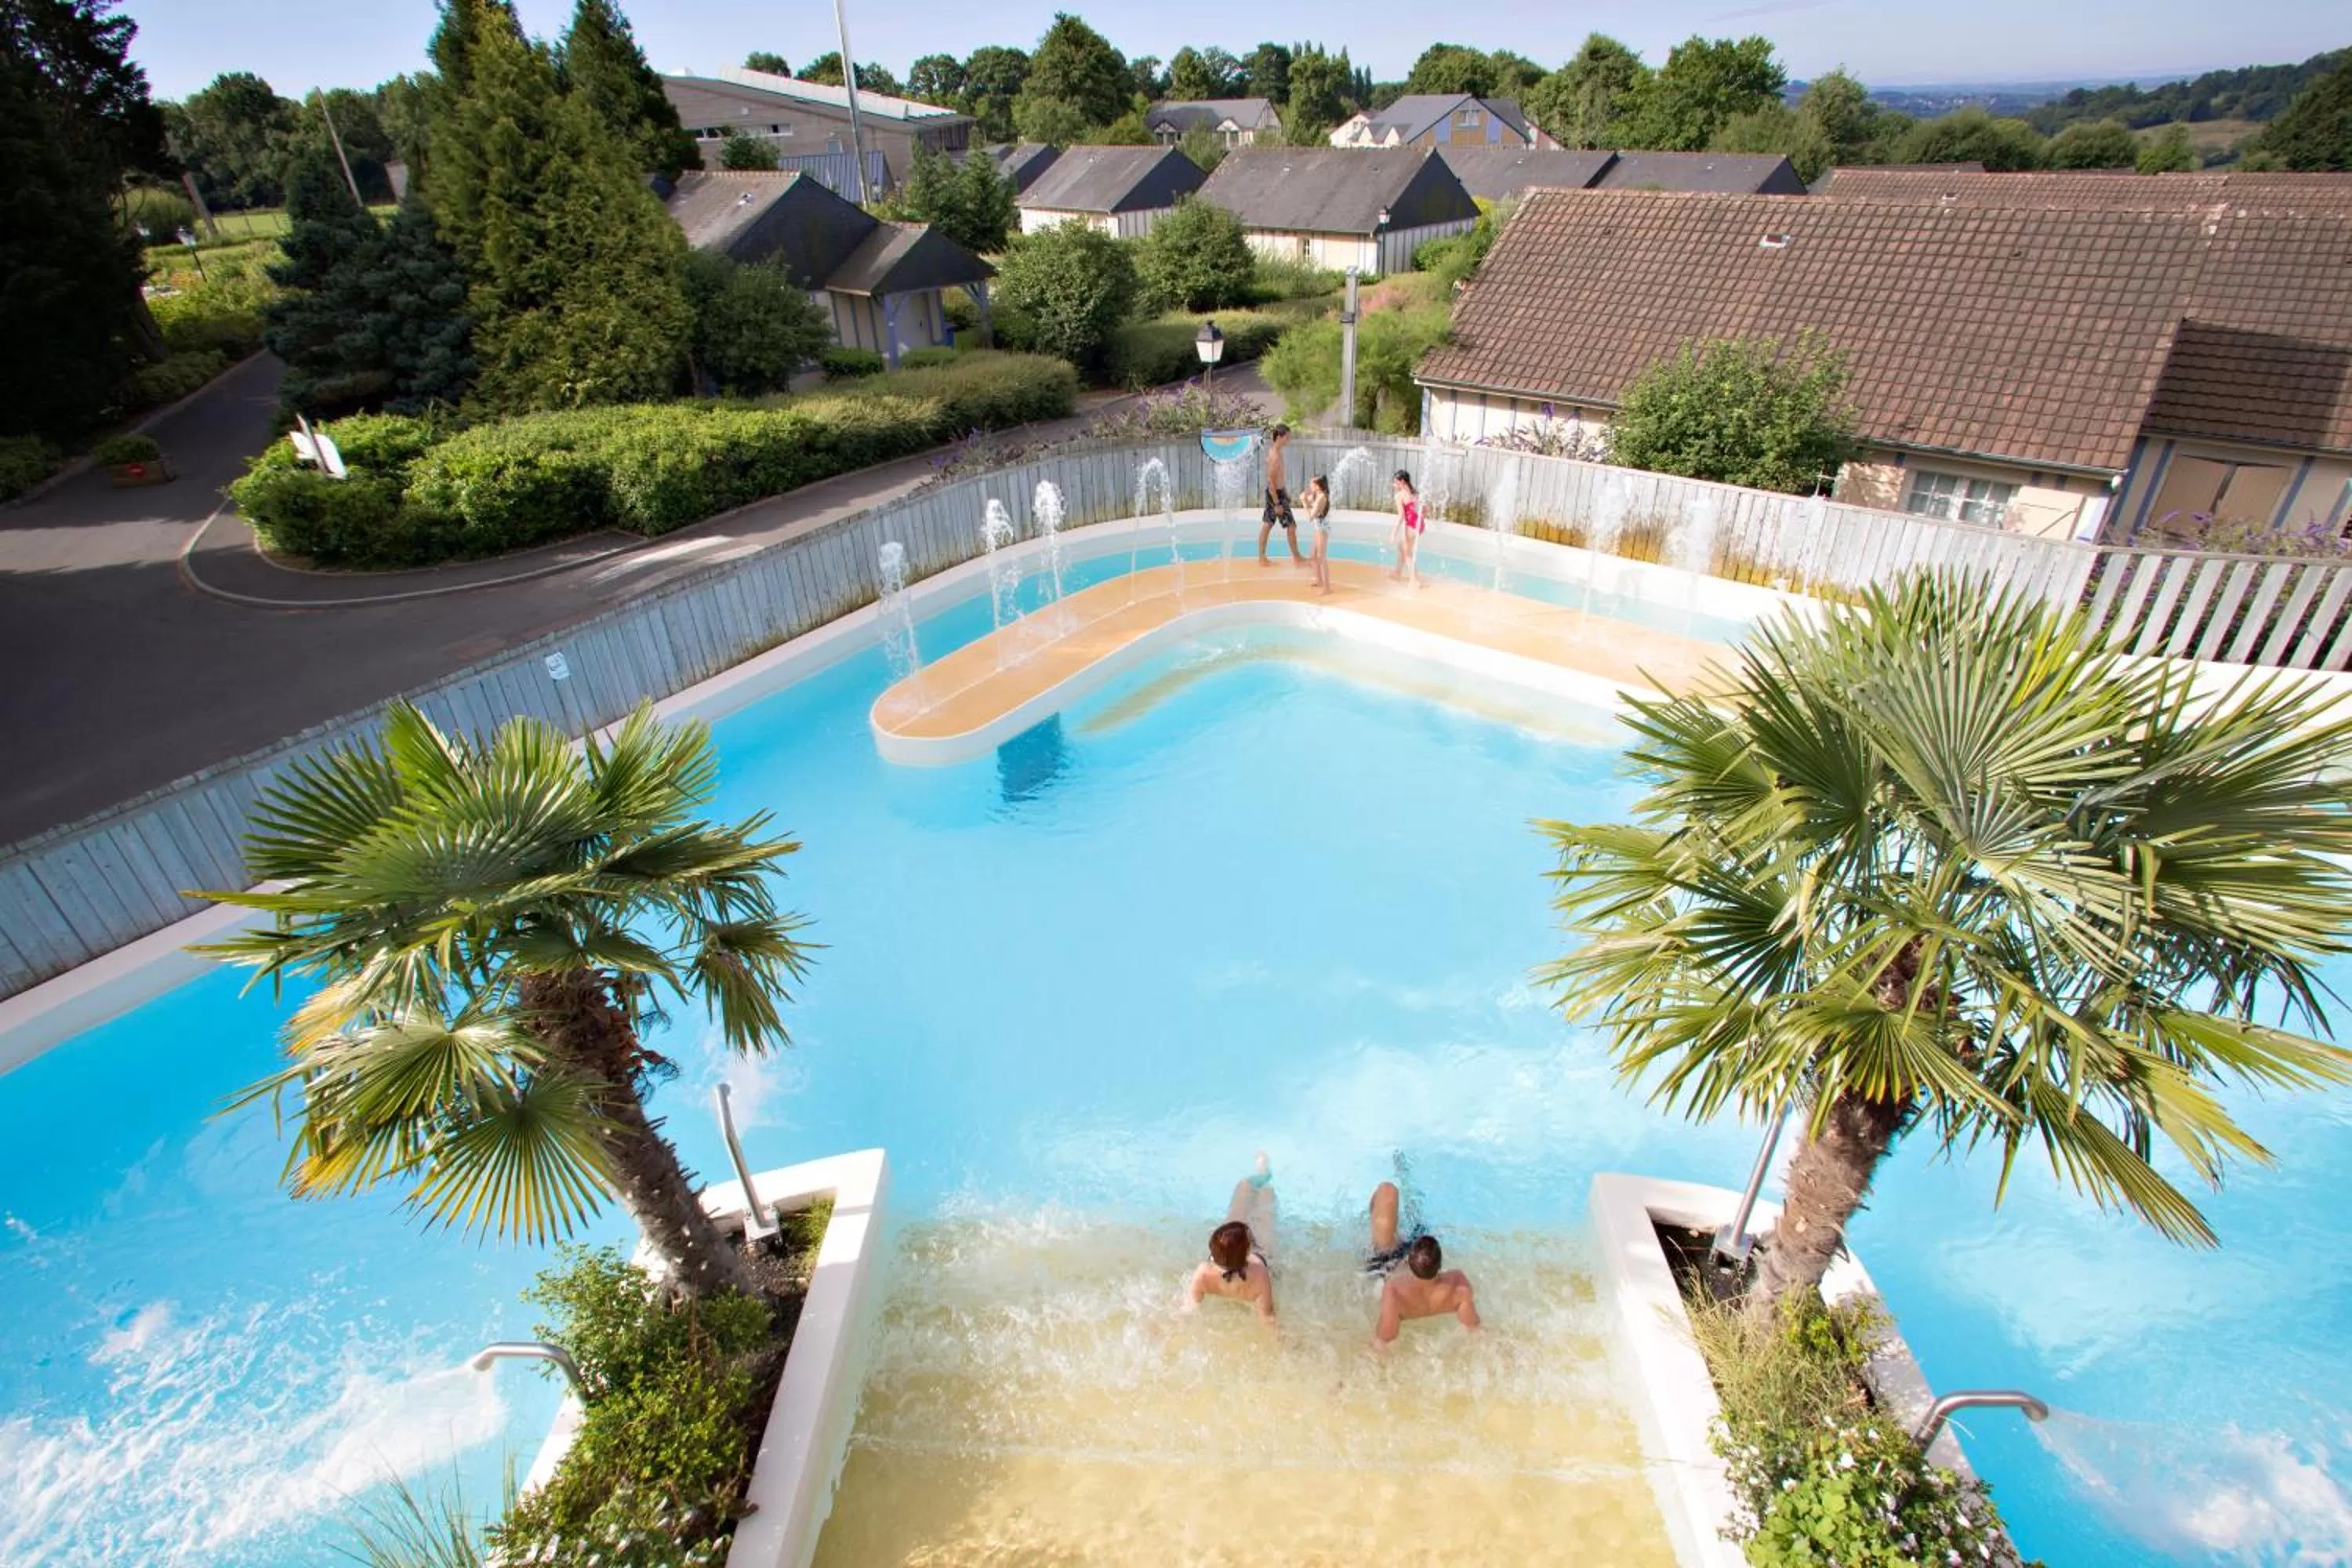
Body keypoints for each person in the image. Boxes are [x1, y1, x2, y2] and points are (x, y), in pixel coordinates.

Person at [1365, 1175, 1479, 1347]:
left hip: (1387, 1265)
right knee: (1412, 1220)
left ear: (1409, 1261)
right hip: (1416, 1264)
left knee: (1388, 1191)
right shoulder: (1457, 1285)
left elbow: (1384, 1339)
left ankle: (1371, 1218)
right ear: (1440, 1265)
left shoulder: (1394, 1291)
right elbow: (1473, 1327)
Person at [1184, 1154, 1278, 1323]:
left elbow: (1187, 1309)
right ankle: (1264, 1174)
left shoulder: (1204, 1273)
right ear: (1248, 1252)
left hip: (1232, 1250)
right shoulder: (1259, 1273)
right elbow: (1267, 1317)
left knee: (1244, 1190)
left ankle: (1261, 1175)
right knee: (1266, 1196)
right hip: (1261, 1251)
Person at [1258, 424, 1303, 566]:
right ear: (1279, 437)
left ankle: (1262, 557)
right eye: (1287, 437)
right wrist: (1277, 503)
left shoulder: (1277, 452)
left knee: (1268, 524)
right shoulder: (1275, 456)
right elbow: (1271, 481)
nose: (1289, 440)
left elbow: (1278, 479)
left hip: (1279, 493)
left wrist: (1285, 492)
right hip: (1275, 495)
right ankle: (1297, 558)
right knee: (1290, 526)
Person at [1389, 470, 1424, 587]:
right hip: (1419, 525)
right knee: (1402, 547)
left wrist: (1394, 533)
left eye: (1395, 482)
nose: (1394, 485)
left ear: (1402, 482)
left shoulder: (1399, 496)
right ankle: (1397, 573)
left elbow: (1401, 516)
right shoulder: (1415, 493)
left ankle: (1415, 580)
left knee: (1407, 552)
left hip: (1411, 526)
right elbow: (1425, 509)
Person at [1304, 475, 1334, 595]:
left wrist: (1304, 502)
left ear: (1317, 486)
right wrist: (1305, 498)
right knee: (1313, 555)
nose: (1310, 486)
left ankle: (1327, 588)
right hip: (1318, 527)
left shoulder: (1322, 497)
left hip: (1322, 528)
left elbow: (1310, 517)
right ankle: (1319, 581)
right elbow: (1309, 499)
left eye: (1312, 484)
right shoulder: (1317, 495)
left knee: (1321, 558)